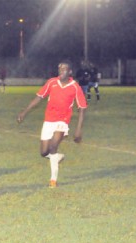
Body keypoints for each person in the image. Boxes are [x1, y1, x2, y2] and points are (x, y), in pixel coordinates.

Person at [17, 60, 87, 188]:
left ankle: (53, 180)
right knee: (44, 152)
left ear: (70, 72)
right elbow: (39, 97)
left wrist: (78, 130)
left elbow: (82, 108)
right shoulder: (52, 82)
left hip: (62, 121)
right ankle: (58, 157)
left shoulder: (75, 86)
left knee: (53, 146)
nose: (61, 71)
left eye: (64, 69)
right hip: (49, 120)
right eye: (59, 68)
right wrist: (25, 111)